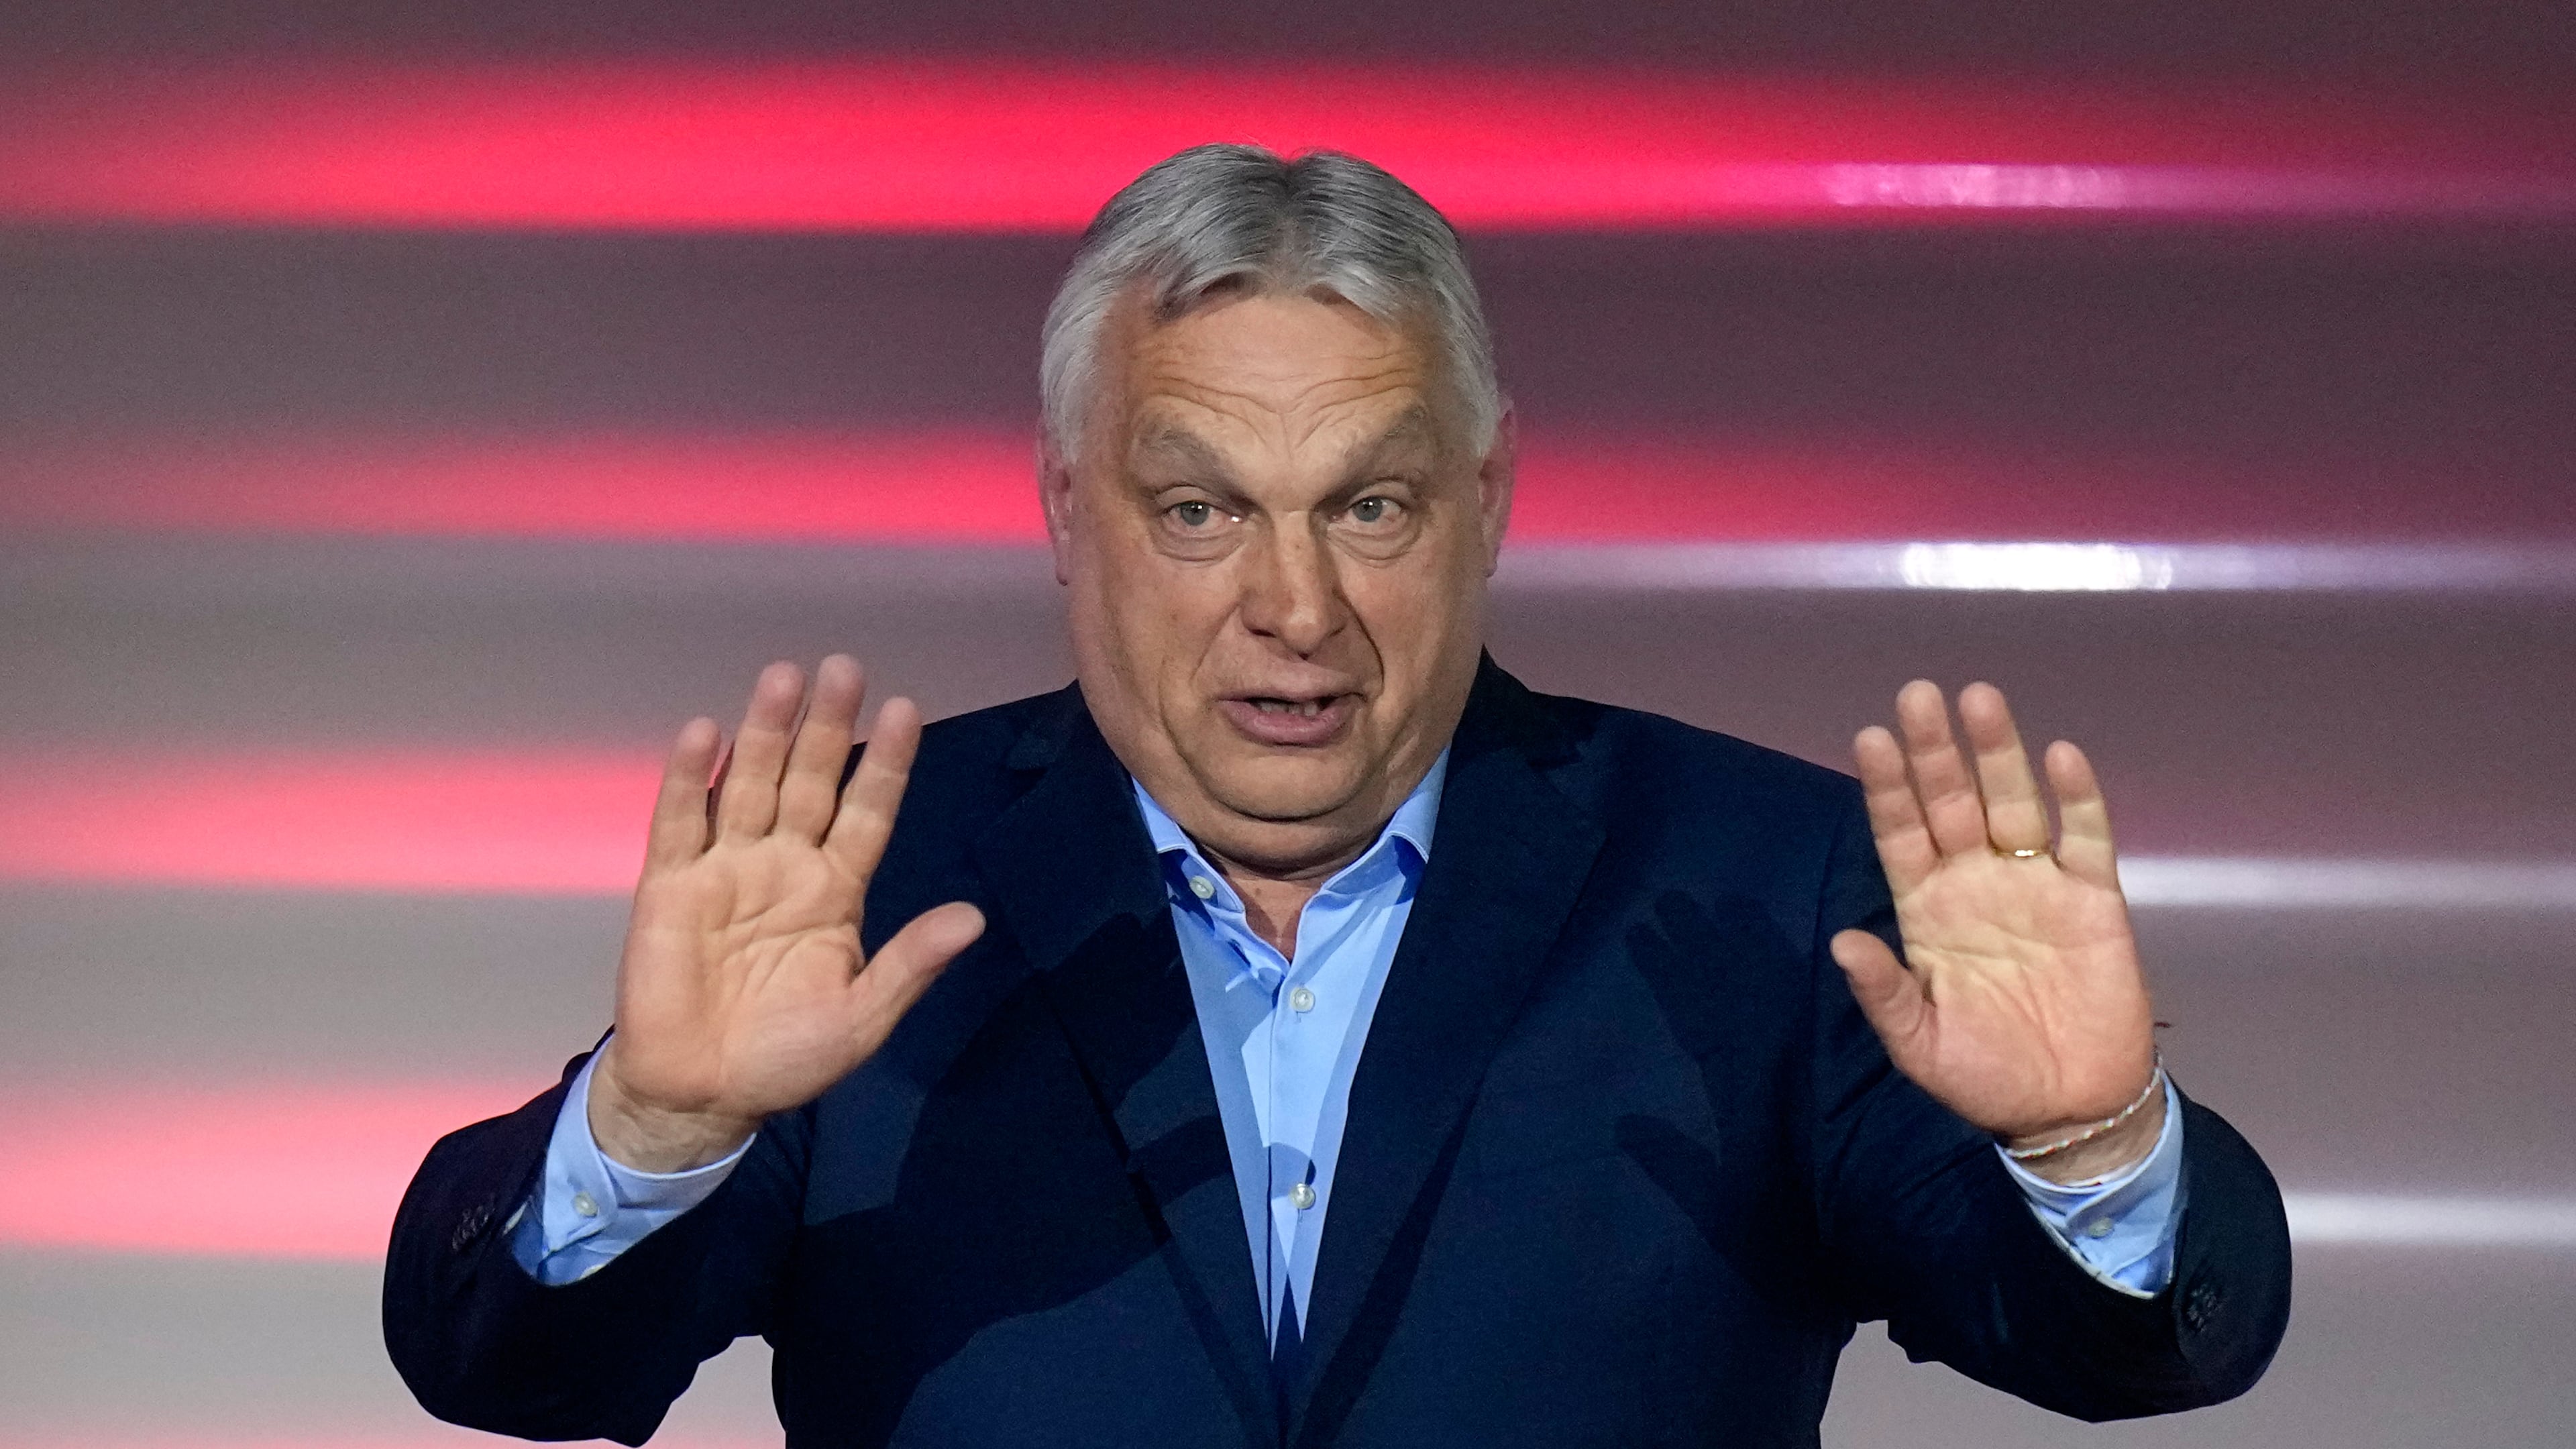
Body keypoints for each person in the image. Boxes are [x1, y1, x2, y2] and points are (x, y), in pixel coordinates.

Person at [384, 145, 2290, 1448]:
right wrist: (656, 1122)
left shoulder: (1764, 892)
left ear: (1486, 497)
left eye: (1367, 505)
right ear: (1067, 508)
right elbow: (509, 1364)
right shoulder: (870, 883)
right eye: (1199, 508)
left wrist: (2096, 1148)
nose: (1292, 609)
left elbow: (2129, 1354)